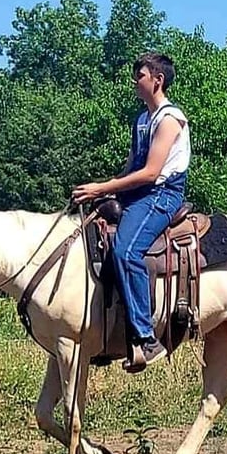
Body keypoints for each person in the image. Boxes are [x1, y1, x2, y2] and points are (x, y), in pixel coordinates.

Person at [72, 52, 192, 372]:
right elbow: (131, 168)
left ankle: (147, 338)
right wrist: (106, 196)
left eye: (140, 76)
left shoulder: (169, 120)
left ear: (157, 80)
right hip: (137, 195)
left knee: (126, 251)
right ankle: (105, 331)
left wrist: (101, 187)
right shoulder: (142, 121)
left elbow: (152, 173)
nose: (135, 82)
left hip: (161, 195)